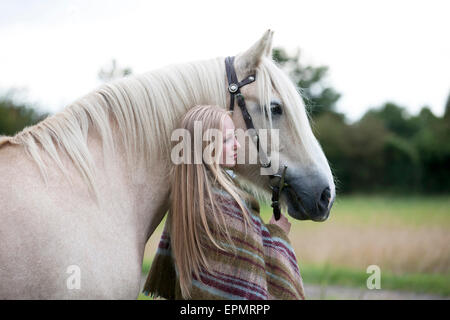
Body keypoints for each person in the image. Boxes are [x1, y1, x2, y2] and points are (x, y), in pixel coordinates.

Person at [143, 105, 305, 300]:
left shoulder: (188, 200)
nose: (237, 145)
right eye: (228, 140)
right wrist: (278, 235)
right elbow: (252, 273)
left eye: (235, 137)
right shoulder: (225, 207)